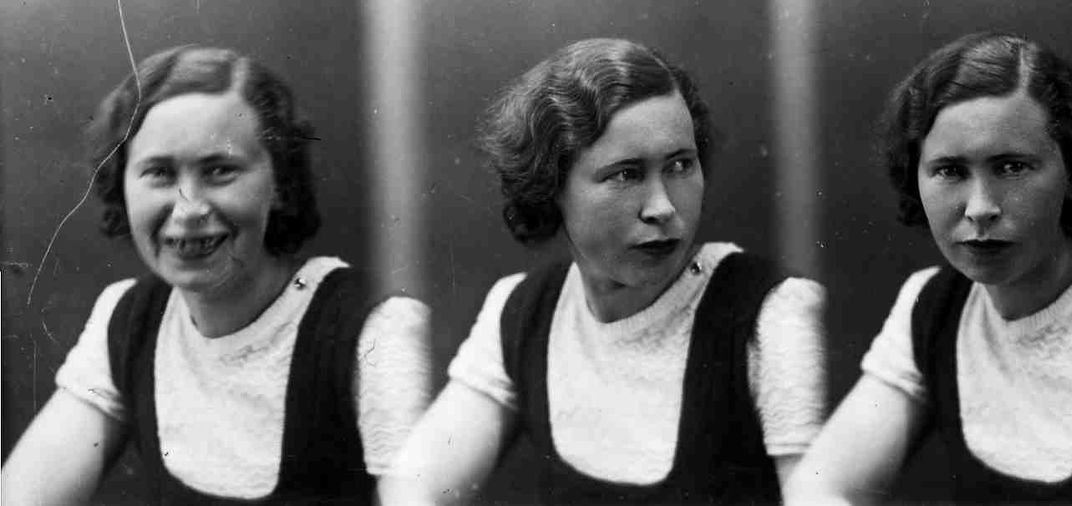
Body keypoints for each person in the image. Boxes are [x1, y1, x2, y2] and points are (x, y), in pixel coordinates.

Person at [787, 32, 1072, 504]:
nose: (980, 208)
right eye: (950, 171)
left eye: (1011, 167)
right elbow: (817, 486)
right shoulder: (934, 307)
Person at [379, 38, 827, 505]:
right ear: (551, 186)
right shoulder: (525, 310)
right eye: (626, 174)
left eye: (680, 165)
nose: (662, 207)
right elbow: (412, 485)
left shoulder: (772, 313)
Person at [0, 45, 433, 505]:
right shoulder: (129, 319)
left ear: (280, 183)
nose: (188, 209)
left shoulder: (377, 329)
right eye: (159, 173)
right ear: (121, 186)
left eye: (220, 170)